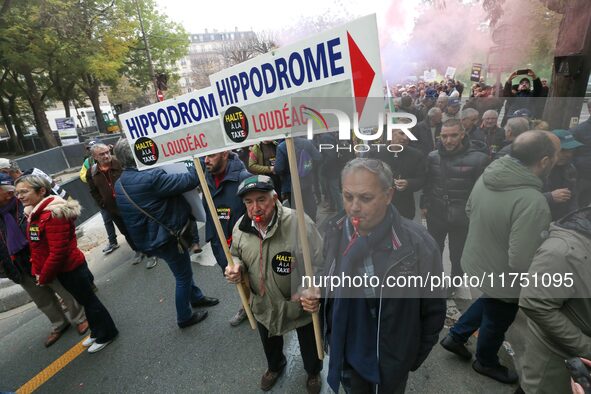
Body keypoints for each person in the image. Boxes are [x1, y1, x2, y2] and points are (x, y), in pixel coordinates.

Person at [309, 158, 445, 393]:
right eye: (348, 196)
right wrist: (316, 292)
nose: (353, 207)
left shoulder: (418, 245)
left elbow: (433, 310)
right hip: (346, 350)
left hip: (390, 362)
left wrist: (408, 358)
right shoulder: (334, 229)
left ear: (388, 195)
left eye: (365, 198)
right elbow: (322, 272)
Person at [440, 130, 561, 384]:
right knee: (497, 319)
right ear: (544, 161)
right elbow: (520, 260)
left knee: (489, 300)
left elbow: (470, 209)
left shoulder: (491, 174)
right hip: (504, 275)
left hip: (478, 259)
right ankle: (485, 361)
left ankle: (457, 336)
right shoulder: (532, 200)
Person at [225, 175, 323, 393]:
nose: (255, 208)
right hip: (262, 302)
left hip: (299, 302)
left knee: (309, 342)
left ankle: (313, 372)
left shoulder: (300, 223)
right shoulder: (240, 228)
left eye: (261, 200)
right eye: (249, 202)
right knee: (269, 340)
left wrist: (313, 287)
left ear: (275, 197)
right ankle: (275, 366)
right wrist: (236, 267)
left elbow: (321, 261)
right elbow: (235, 255)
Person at [113, 139, 219, 328]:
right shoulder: (150, 177)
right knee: (183, 276)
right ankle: (184, 317)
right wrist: (200, 158)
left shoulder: (120, 182)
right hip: (166, 238)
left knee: (181, 270)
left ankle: (196, 297)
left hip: (150, 239)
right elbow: (190, 180)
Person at [15, 174, 118, 353]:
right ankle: (96, 332)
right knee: (85, 302)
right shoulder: (36, 213)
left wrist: (44, 275)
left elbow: (58, 252)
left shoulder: (53, 214)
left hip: (72, 269)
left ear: (41, 191)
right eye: (17, 193)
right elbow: (38, 248)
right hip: (63, 270)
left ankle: (107, 333)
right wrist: (38, 269)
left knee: (90, 302)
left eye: (24, 191)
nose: (20, 196)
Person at [0, 173, 88, 348]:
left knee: (63, 290)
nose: (20, 194)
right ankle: (59, 323)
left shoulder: (27, 204)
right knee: (41, 299)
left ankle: (80, 318)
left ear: (8, 192)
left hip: (41, 259)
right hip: (17, 265)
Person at [517, 206, 591, 394]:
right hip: (557, 368)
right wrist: (586, 347)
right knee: (493, 314)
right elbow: (535, 302)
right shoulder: (562, 252)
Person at [421, 119, 489, 282]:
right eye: (444, 136)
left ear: (462, 135)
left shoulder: (479, 159)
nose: (448, 140)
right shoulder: (433, 156)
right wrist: (425, 204)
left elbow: (482, 192)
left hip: (463, 215)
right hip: (437, 212)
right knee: (434, 249)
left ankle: (456, 280)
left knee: (458, 252)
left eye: (453, 135)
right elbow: (429, 183)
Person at [201, 150, 251, 326]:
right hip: (222, 243)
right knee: (238, 279)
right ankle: (247, 304)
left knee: (254, 277)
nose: (206, 160)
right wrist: (212, 239)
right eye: (204, 156)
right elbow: (208, 211)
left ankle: (257, 306)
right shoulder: (205, 177)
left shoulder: (243, 177)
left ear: (224, 154)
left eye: (210, 156)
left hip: (245, 244)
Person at [88, 143, 156, 269]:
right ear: (94, 157)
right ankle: (137, 250)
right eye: (102, 154)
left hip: (130, 204)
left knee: (139, 228)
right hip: (112, 209)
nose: (106, 155)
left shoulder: (120, 163)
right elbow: (93, 191)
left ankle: (150, 252)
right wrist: (103, 204)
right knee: (125, 231)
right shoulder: (92, 172)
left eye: (107, 152)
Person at [369, 129, 426, 219]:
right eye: (401, 133)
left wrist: (408, 183)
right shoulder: (376, 153)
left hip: (404, 209)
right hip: (380, 206)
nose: (405, 137)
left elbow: (421, 180)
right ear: (391, 133)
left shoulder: (416, 155)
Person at [79, 140, 118, 255]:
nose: (91, 149)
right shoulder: (88, 162)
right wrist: (95, 177)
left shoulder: (113, 159)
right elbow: (83, 176)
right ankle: (112, 241)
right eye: (90, 148)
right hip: (104, 198)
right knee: (107, 219)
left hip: (118, 195)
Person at [274, 137, 321, 221]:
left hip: (290, 184)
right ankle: (312, 221)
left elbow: (279, 168)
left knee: (296, 209)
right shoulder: (306, 142)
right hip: (306, 180)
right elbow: (318, 157)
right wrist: (308, 169)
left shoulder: (282, 147)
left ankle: (300, 226)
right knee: (309, 201)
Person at [542, 129, 583, 220]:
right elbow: (522, 199)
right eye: (563, 150)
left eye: (571, 150)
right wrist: (550, 197)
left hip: (560, 223)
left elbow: (573, 197)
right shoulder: (536, 169)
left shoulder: (570, 169)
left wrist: (575, 218)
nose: (568, 154)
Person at [571, 100, 591, 207]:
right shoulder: (578, 130)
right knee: (578, 206)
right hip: (582, 177)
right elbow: (570, 154)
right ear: (589, 109)